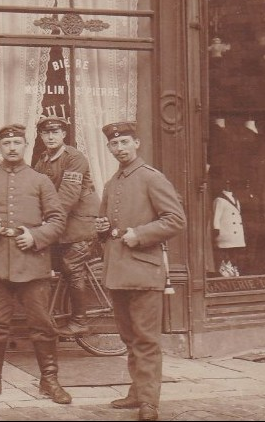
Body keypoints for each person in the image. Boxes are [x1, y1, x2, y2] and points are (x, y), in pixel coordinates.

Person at [0, 124, 69, 405]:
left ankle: (50, 380)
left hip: (33, 265)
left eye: (17, 142)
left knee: (42, 326)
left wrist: (34, 236)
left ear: (25, 146)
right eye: (7, 143)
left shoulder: (40, 180)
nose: (12, 147)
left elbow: (58, 221)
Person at [95, 121, 186, 422]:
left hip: (145, 272)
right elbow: (108, 226)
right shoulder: (112, 183)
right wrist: (102, 228)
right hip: (117, 271)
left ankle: (149, 401)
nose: (119, 148)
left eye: (125, 143)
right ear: (109, 148)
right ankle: (137, 392)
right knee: (129, 338)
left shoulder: (151, 178)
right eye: (114, 144)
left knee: (146, 339)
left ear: (137, 143)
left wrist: (140, 234)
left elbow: (175, 220)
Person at [32, 116, 101, 336]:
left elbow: (68, 195)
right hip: (59, 224)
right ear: (41, 136)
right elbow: (35, 193)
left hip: (79, 224)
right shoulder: (42, 161)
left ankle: (80, 320)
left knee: (72, 267)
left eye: (56, 132)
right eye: (46, 133)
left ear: (64, 135)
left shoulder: (75, 158)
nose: (50, 137)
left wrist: (48, 222)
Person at [210, 166, 245, 276]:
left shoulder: (236, 199)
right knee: (225, 251)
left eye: (230, 183)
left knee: (234, 252)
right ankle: (225, 268)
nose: (228, 185)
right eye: (226, 183)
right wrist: (216, 229)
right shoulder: (219, 200)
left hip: (235, 233)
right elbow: (216, 216)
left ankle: (233, 268)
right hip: (226, 232)